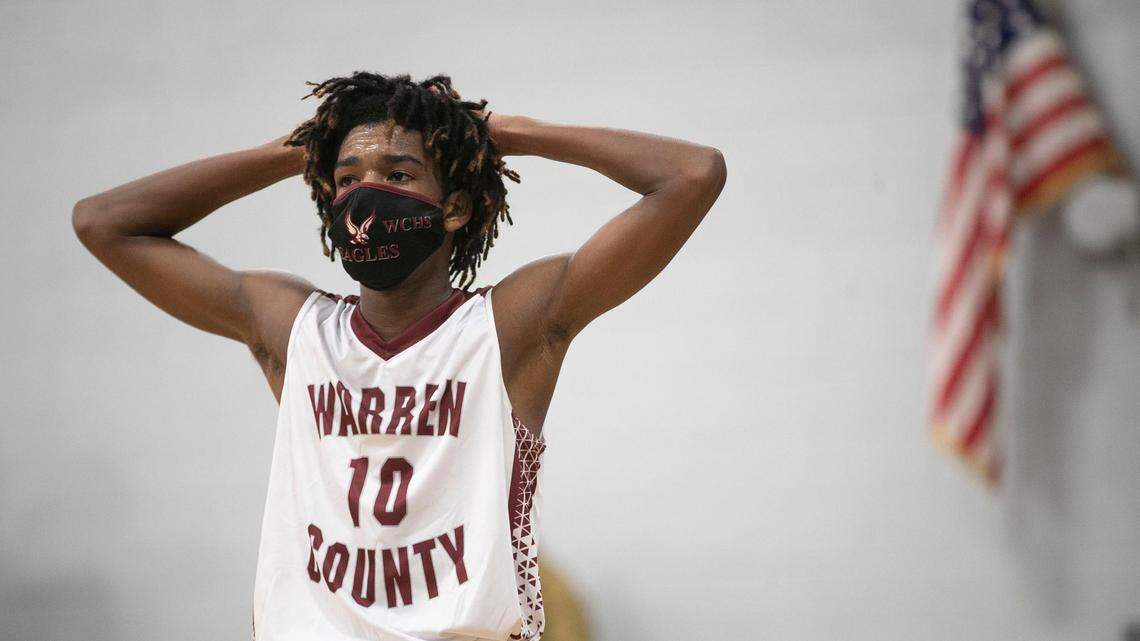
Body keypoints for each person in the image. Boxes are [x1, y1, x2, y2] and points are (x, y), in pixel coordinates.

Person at [72, 71, 726, 641]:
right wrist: (294, 151)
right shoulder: (294, 328)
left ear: (455, 206)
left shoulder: (508, 326)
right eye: (347, 177)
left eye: (397, 173)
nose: (366, 192)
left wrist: (513, 132)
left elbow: (691, 175)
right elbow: (103, 221)